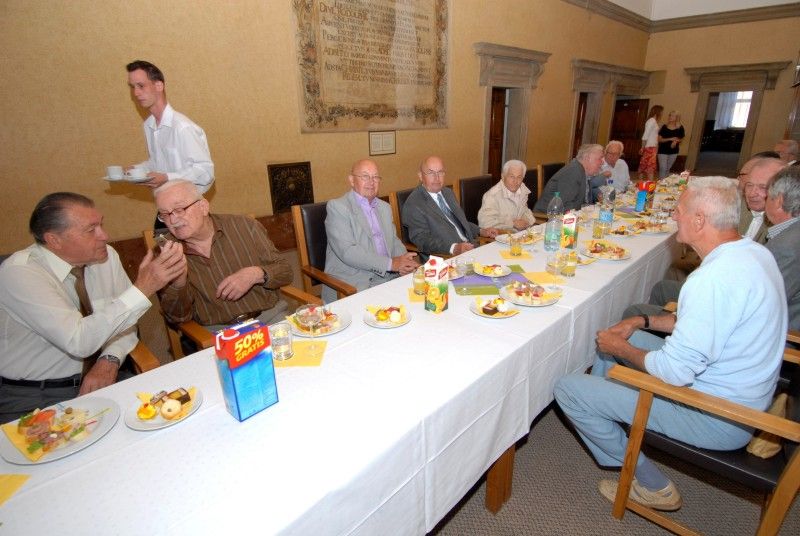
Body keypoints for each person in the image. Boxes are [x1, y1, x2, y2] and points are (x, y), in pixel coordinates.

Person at [555, 176, 786, 511]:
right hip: (739, 395)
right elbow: (701, 323)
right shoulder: (751, 254)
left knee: (569, 387)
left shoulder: (712, 280)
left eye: (679, 211)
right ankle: (616, 418)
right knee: (624, 337)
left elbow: (675, 372)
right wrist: (642, 321)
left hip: (719, 416)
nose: (673, 217)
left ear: (699, 220)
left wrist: (621, 349)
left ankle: (652, 485)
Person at [0, 193, 186, 423]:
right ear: (54, 240)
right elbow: (79, 341)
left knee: (164, 420)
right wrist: (143, 287)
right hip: (35, 395)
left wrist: (109, 359)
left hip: (106, 378)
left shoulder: (107, 257)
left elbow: (126, 322)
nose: (104, 236)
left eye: (101, 224)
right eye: (91, 230)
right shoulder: (20, 273)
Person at [623, 156, 785, 320]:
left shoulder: (781, 238)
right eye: (749, 185)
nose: (752, 193)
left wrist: (648, 322)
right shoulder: (748, 220)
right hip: (727, 306)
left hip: (727, 314)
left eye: (762, 187)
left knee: (633, 315)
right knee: (662, 287)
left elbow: (695, 338)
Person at [155, 180, 293, 333]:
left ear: (203, 207)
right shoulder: (165, 252)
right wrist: (178, 284)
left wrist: (256, 274)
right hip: (217, 334)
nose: (173, 220)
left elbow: (286, 271)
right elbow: (176, 318)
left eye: (180, 209)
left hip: (269, 320)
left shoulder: (245, 226)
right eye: (165, 214)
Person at [323, 159, 419, 304]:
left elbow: (393, 241)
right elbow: (348, 252)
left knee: (423, 302)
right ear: (351, 180)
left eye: (375, 177)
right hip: (353, 283)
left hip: (388, 278)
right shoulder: (338, 208)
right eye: (365, 176)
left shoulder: (384, 208)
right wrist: (391, 264)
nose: (371, 182)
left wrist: (405, 262)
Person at [126, 60, 214, 194]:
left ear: (159, 85)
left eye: (141, 86)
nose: (136, 93)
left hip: (188, 207)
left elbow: (205, 171)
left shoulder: (182, 127)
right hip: (165, 204)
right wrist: (135, 170)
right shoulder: (149, 125)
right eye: (132, 87)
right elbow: (158, 164)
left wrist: (167, 178)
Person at [402, 156, 500, 258]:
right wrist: (453, 248)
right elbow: (422, 240)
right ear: (421, 176)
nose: (437, 178)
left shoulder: (447, 193)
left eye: (440, 172)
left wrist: (482, 231)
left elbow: (460, 223)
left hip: (471, 249)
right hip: (446, 258)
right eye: (431, 173)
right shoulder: (414, 204)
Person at [764, 166, 800, 331]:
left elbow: (764, 306)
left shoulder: (787, 247)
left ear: (778, 201)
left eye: (768, 197)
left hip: (782, 334)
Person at [535, 144, 604, 212]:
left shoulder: (582, 171)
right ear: (588, 158)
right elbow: (565, 205)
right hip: (548, 218)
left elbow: (582, 201)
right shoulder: (574, 171)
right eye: (600, 158)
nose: (602, 162)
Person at [478, 159, 536, 231]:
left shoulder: (523, 190)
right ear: (503, 176)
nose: (515, 181)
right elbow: (485, 222)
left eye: (519, 177)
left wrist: (526, 221)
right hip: (501, 236)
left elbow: (525, 211)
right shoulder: (492, 195)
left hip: (521, 234)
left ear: (523, 178)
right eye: (511, 176)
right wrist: (512, 223)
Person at [638, 105, 663, 180]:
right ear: (658, 112)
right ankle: (643, 183)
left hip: (652, 147)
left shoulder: (654, 121)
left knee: (648, 167)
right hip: (649, 147)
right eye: (661, 112)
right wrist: (642, 147)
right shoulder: (651, 121)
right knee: (647, 167)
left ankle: (647, 183)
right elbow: (645, 135)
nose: (662, 114)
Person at [657, 111, 684, 178]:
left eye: (672, 116)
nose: (670, 117)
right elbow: (659, 139)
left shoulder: (680, 128)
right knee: (663, 167)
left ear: (677, 118)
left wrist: (675, 141)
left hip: (673, 151)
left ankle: (665, 183)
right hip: (662, 150)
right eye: (669, 115)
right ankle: (661, 183)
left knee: (667, 168)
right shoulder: (664, 127)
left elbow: (680, 139)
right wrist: (670, 139)